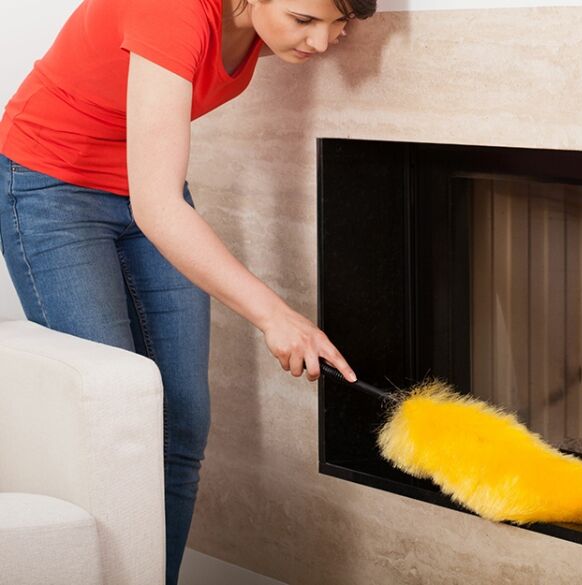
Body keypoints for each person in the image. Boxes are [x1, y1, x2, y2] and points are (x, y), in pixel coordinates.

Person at [0, 0, 375, 582]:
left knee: (182, 423)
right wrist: (275, 315)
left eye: (340, 25)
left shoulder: (259, 23)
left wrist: (312, 19)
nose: (323, 44)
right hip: (52, 187)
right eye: (305, 21)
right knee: (115, 421)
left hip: (149, 185)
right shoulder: (172, 9)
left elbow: (154, 194)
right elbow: (158, 208)